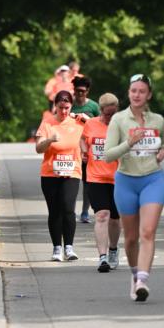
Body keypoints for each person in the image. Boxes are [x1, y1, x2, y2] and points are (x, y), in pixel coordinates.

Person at [103, 73, 164, 301]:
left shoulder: (158, 120)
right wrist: (128, 143)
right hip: (126, 181)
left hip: (153, 179)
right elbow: (107, 155)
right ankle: (134, 276)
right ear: (128, 93)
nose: (137, 95)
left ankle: (143, 280)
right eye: (133, 91)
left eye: (142, 91)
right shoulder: (119, 120)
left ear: (149, 95)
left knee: (148, 232)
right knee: (131, 238)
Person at [35, 90, 83, 262]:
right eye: (61, 108)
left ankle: (69, 247)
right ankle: (57, 248)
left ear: (71, 106)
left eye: (67, 108)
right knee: (55, 210)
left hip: (72, 172)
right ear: (55, 106)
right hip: (50, 173)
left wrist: (87, 119)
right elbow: (38, 148)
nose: (64, 112)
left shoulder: (78, 121)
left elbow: (99, 130)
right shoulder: (47, 122)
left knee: (68, 207)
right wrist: (49, 141)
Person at [80, 93, 120, 272]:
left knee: (114, 219)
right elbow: (82, 139)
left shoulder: (121, 126)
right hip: (96, 177)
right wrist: (84, 151)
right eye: (107, 114)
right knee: (101, 215)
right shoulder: (91, 124)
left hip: (119, 178)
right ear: (101, 111)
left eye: (113, 113)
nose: (110, 117)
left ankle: (113, 249)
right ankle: (102, 258)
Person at [70, 75, 100, 222]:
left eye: (82, 91)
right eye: (77, 91)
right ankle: (70, 211)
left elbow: (102, 125)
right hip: (71, 148)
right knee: (72, 181)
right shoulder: (69, 105)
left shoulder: (93, 107)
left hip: (88, 148)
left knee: (87, 182)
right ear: (74, 91)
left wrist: (88, 120)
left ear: (87, 91)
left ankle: (85, 212)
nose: (79, 93)